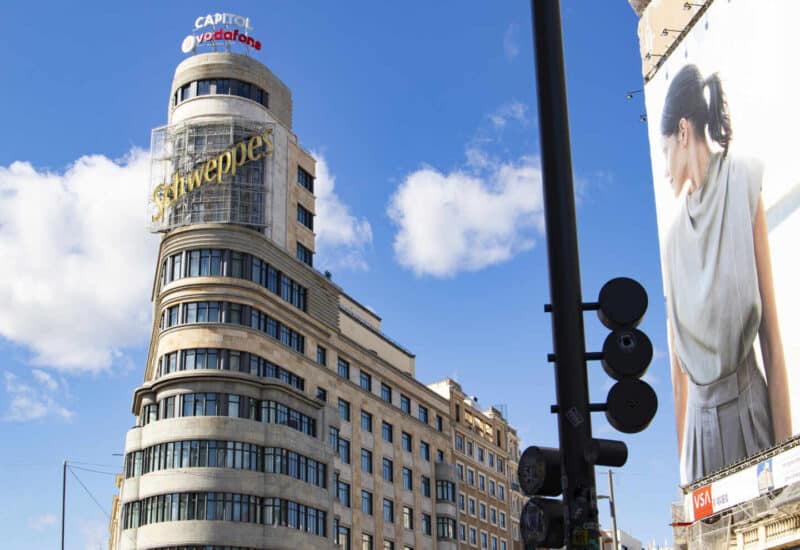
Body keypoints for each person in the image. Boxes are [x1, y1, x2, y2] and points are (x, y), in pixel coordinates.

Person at [660, 64, 790, 485]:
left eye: (665, 152)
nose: (664, 169)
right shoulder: (673, 239)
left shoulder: (743, 182)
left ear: (683, 132)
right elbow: (679, 380)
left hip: (751, 414)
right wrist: (683, 480)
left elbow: (771, 338)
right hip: (699, 435)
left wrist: (789, 464)